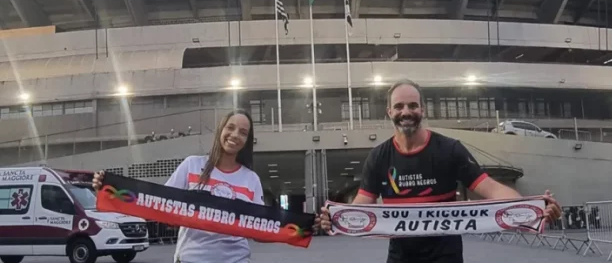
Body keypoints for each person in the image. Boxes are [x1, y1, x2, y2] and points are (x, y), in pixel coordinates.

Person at [317, 79, 562, 263]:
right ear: (389, 112)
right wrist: (336, 216)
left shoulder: (449, 149)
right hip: (400, 258)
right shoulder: (379, 157)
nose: (406, 112)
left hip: (446, 258)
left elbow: (490, 188)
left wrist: (533, 208)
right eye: (399, 106)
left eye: (413, 105)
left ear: (422, 110)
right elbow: (363, 205)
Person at [93, 109, 263, 263]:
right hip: (191, 258)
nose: (234, 135)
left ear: (247, 140)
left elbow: (263, 228)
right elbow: (156, 203)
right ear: (221, 129)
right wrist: (109, 188)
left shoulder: (251, 179)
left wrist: (288, 229)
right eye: (230, 127)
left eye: (243, 132)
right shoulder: (192, 166)